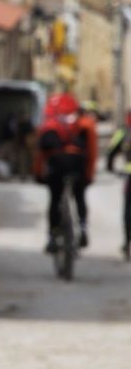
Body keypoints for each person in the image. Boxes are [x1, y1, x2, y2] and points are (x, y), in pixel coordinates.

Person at [34, 92, 97, 253]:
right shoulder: (83, 124)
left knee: (55, 199)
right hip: (78, 164)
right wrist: (89, 176)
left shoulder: (49, 125)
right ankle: (82, 227)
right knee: (79, 196)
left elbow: (40, 154)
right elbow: (92, 152)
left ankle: (52, 237)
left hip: (56, 167)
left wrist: (39, 175)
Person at [106, 111, 131, 260]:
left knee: (128, 210)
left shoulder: (124, 132)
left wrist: (110, 168)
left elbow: (111, 151)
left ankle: (127, 243)